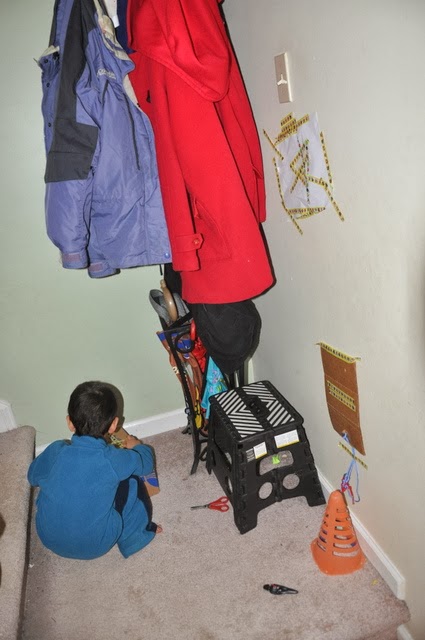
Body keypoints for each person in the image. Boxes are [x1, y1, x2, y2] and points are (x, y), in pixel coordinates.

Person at [27, 381, 162, 560]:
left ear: (69, 422)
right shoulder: (113, 459)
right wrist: (138, 446)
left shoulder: (56, 450)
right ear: (114, 425)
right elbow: (146, 464)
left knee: (55, 482)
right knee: (132, 482)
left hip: (47, 537)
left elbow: (33, 476)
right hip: (95, 545)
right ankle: (134, 538)